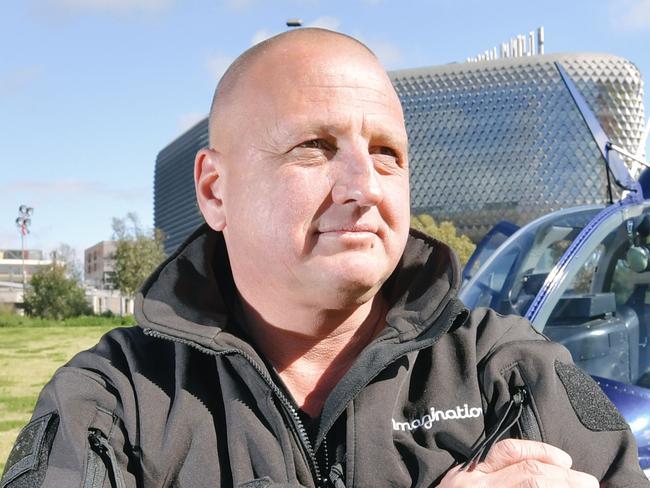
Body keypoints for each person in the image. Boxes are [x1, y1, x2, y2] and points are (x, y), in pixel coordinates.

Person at [2, 28, 648, 488]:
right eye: (313, 147)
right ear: (214, 190)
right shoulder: (114, 403)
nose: (364, 186)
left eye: (388, 154)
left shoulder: (510, 370)